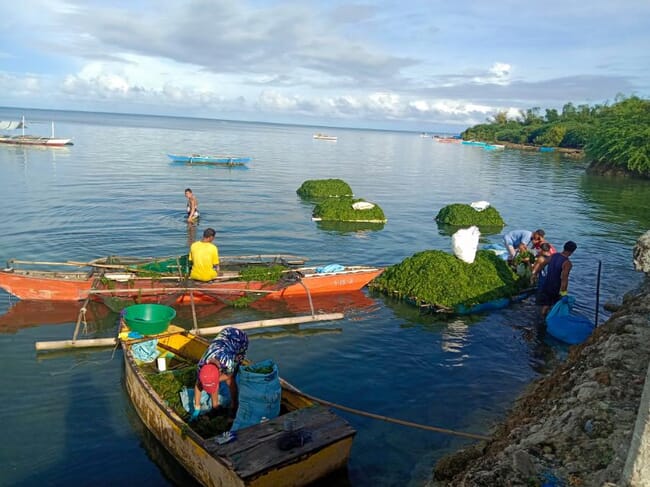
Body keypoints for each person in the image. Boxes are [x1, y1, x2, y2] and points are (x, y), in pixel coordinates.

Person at [192, 327, 249, 419]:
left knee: (231, 380)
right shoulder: (201, 366)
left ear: (219, 371)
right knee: (214, 381)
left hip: (239, 340)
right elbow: (198, 385)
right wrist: (197, 408)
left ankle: (235, 406)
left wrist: (216, 380)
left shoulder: (228, 363)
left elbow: (229, 376)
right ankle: (215, 406)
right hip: (223, 338)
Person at [537, 241, 577, 319]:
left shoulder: (553, 256)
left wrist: (538, 276)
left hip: (546, 284)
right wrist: (564, 293)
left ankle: (542, 319)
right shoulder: (567, 263)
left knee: (545, 305)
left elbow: (542, 265)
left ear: (564, 247)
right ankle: (546, 321)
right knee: (552, 306)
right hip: (555, 287)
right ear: (572, 251)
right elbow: (564, 279)